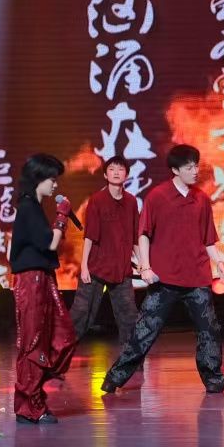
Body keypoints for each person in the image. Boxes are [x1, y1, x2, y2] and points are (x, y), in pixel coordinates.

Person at [101, 144, 224, 395]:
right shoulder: (158, 197)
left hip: (197, 277)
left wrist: (220, 263)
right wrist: (146, 266)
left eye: (196, 166)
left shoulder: (202, 199)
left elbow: (208, 239)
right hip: (165, 279)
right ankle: (115, 377)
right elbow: (144, 234)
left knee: (209, 330)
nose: (195, 171)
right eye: (189, 167)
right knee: (144, 330)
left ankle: (213, 378)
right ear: (175, 170)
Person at [10, 152, 78, 424]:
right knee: (34, 341)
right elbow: (50, 243)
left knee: (60, 337)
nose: (55, 185)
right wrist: (62, 216)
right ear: (39, 178)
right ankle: (29, 407)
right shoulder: (28, 207)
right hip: (31, 280)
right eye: (52, 179)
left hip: (42, 278)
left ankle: (33, 399)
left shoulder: (33, 207)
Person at [67, 156, 142, 374]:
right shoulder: (97, 200)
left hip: (121, 269)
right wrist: (84, 266)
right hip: (96, 268)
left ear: (126, 174)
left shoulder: (131, 202)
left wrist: (143, 264)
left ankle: (132, 363)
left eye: (120, 169)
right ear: (105, 174)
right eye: (112, 169)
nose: (116, 172)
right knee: (81, 315)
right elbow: (90, 236)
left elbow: (135, 237)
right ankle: (58, 357)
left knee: (129, 317)